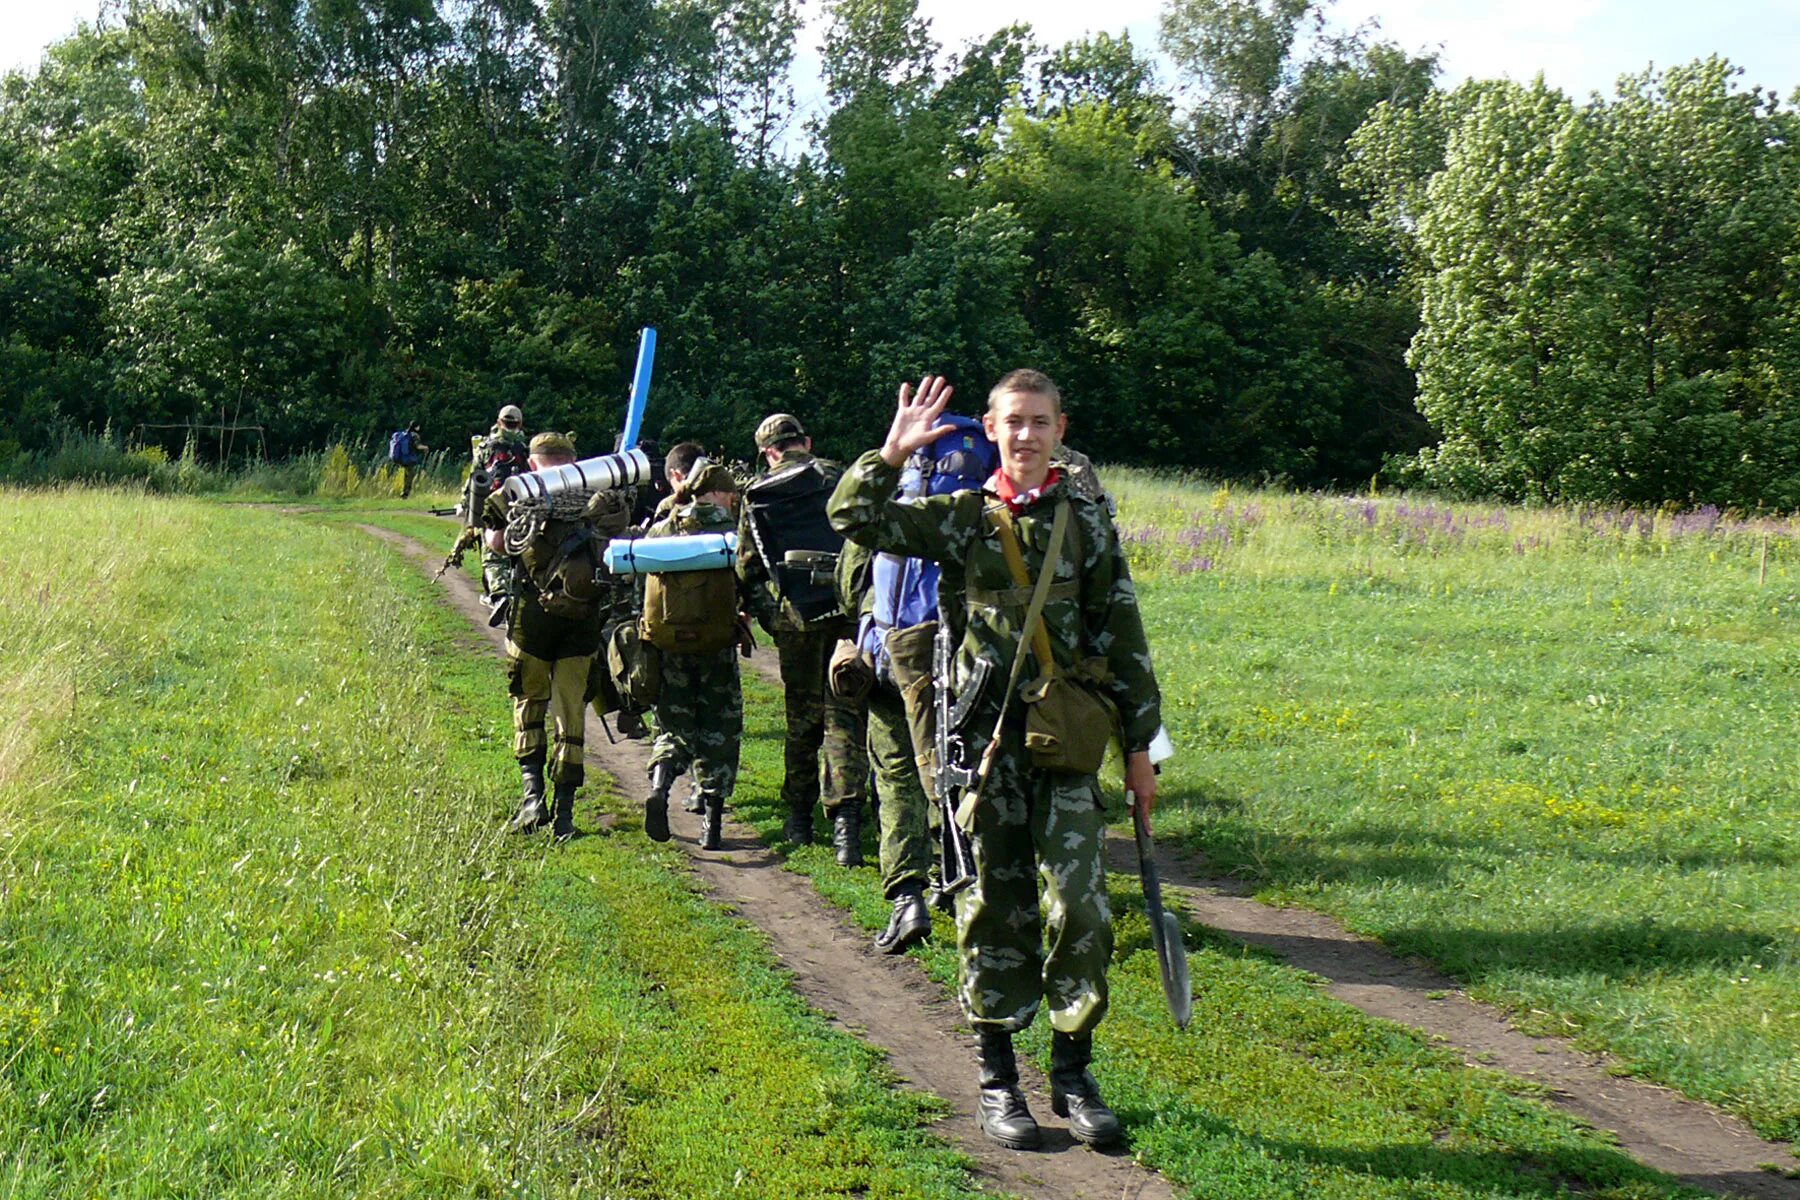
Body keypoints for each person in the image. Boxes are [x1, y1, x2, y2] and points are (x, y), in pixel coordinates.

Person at [828, 370, 1165, 1151]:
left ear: (1059, 429)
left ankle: (1073, 1073)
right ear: (991, 427)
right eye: (1013, 422)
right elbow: (854, 517)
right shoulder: (963, 521)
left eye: (1039, 422)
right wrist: (891, 450)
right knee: (990, 912)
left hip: (1069, 743)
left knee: (1082, 908)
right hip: (984, 750)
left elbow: (1124, 634)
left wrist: (1141, 750)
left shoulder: (1086, 521)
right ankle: (997, 1081)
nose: (1025, 435)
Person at [482, 431, 630, 839]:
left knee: (529, 703)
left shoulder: (518, 494)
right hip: (582, 624)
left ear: (533, 463)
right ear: (575, 461)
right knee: (571, 713)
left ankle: (533, 802)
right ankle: (564, 815)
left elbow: (497, 544)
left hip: (532, 621)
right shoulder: (601, 496)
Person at [737, 413, 870, 865]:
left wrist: (772, 617)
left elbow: (747, 568)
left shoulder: (756, 494)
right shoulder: (841, 476)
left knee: (802, 718)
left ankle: (798, 815)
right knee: (846, 715)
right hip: (848, 615)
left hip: (796, 619)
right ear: (805, 441)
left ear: (767, 452)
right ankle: (847, 824)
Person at [640, 461, 747, 851]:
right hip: (717, 646)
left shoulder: (663, 527)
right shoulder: (733, 531)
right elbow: (750, 577)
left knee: (673, 724)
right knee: (720, 725)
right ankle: (712, 823)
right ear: (718, 493)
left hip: (669, 646)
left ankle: (660, 785)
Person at [469, 405, 532, 603]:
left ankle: (497, 594)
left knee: (492, 553)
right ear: (520, 424)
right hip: (522, 506)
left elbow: (475, 477)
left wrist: (466, 504)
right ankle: (517, 588)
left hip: (493, 505)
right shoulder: (526, 448)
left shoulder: (487, 446)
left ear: (499, 422)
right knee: (519, 548)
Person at [394, 424, 429, 498]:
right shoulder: (414, 435)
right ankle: (405, 493)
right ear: (415, 427)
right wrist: (425, 447)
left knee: (407, 475)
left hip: (402, 458)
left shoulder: (405, 434)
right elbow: (418, 446)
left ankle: (404, 492)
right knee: (410, 475)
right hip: (409, 458)